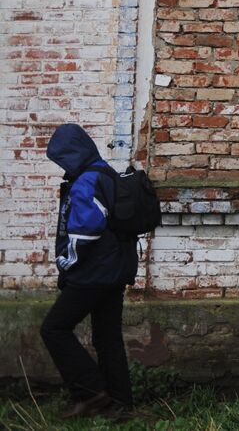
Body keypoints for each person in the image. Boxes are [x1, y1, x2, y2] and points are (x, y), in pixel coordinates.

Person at [40, 123, 138, 419]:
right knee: (107, 337)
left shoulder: (86, 180)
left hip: (93, 272)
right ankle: (120, 404)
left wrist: (66, 263)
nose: (62, 165)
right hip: (117, 270)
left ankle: (91, 393)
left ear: (71, 154)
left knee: (54, 329)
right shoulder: (107, 173)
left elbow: (86, 230)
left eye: (62, 158)